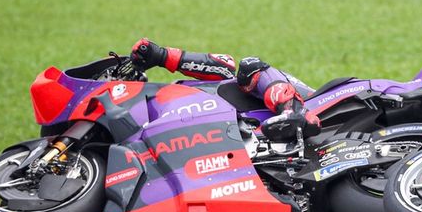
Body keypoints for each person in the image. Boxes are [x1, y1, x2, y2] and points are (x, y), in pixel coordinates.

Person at [129, 38, 320, 141]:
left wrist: (161, 56)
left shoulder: (185, 90)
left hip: (311, 102)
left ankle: (293, 111)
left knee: (249, 67)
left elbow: (224, 65)